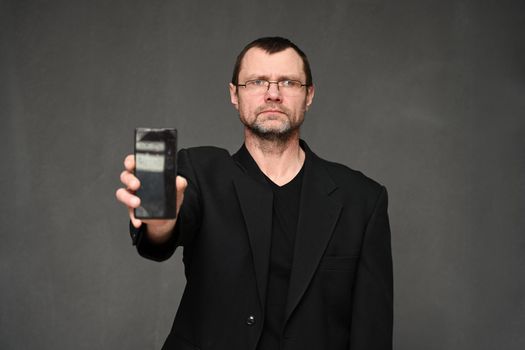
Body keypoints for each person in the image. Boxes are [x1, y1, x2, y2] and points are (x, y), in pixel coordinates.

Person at [116, 36, 393, 350]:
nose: (272, 94)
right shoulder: (199, 171)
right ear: (234, 94)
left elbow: (372, 333)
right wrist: (159, 219)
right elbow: (161, 237)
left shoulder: (362, 199)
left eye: (288, 82)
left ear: (309, 95)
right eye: (257, 82)